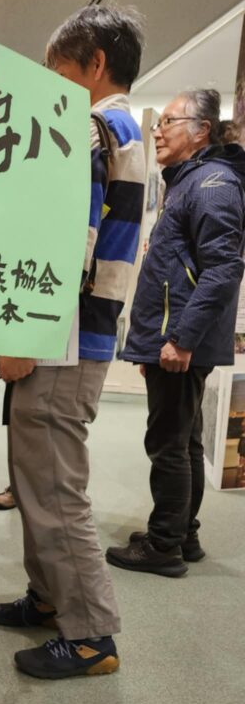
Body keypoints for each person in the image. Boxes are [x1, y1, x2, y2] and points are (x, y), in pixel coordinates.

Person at [0, 5, 146, 679]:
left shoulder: (89, 129)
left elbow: (65, 241)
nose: (51, 83)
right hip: (85, 329)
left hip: (65, 335)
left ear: (94, 64)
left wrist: (25, 332)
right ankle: (50, 597)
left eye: (58, 70)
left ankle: (90, 635)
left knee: (53, 483)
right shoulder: (128, 130)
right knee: (37, 472)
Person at [107, 90, 245, 575]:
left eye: (169, 121)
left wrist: (181, 340)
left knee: (168, 444)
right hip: (174, 336)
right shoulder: (192, 181)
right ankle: (182, 535)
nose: (158, 131)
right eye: (159, 121)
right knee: (185, 442)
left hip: (179, 339)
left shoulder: (211, 184)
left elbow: (223, 270)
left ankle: (164, 546)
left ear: (202, 130)